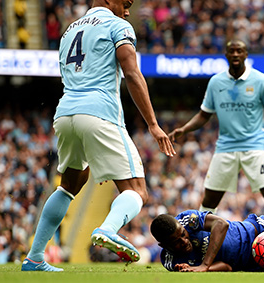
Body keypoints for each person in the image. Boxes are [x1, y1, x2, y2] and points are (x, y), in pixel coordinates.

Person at [21, 0, 176, 272]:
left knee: (69, 185)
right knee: (137, 190)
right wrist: (152, 123)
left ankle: (34, 257)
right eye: (126, 3)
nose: (128, 11)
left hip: (65, 113)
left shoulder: (69, 30)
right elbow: (131, 72)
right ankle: (108, 229)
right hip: (100, 113)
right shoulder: (118, 25)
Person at [169, 39, 264, 212]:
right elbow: (204, 115)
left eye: (239, 51)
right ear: (226, 55)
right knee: (209, 200)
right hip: (225, 147)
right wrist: (184, 129)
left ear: (246, 54)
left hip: (256, 146)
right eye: (232, 51)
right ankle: (201, 237)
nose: (235, 54)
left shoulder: (261, 80)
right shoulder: (216, 82)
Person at [150, 210, 264, 272]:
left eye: (183, 234)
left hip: (257, 230)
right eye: (176, 242)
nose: (184, 241)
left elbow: (221, 223)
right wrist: (199, 268)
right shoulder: (171, 261)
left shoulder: (187, 220)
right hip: (253, 261)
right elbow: (226, 267)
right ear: (164, 245)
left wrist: (205, 264)